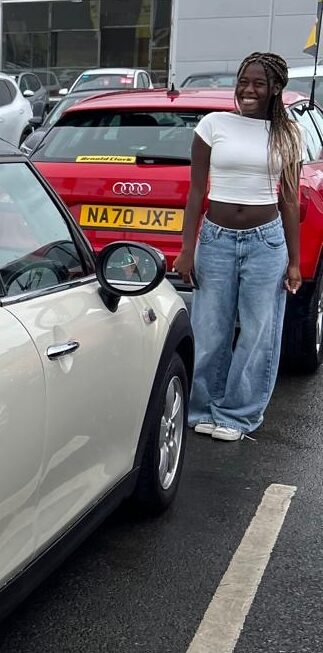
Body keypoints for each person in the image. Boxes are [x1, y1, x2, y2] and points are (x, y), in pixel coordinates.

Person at [173, 52, 302, 442]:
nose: (248, 90)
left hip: (267, 242)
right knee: (210, 329)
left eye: (258, 83)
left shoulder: (287, 133)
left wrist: (295, 261)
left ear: (274, 89)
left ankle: (238, 415)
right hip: (216, 239)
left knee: (258, 332)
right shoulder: (213, 124)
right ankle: (203, 408)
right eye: (244, 81)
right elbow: (196, 192)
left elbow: (291, 200)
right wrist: (186, 247)